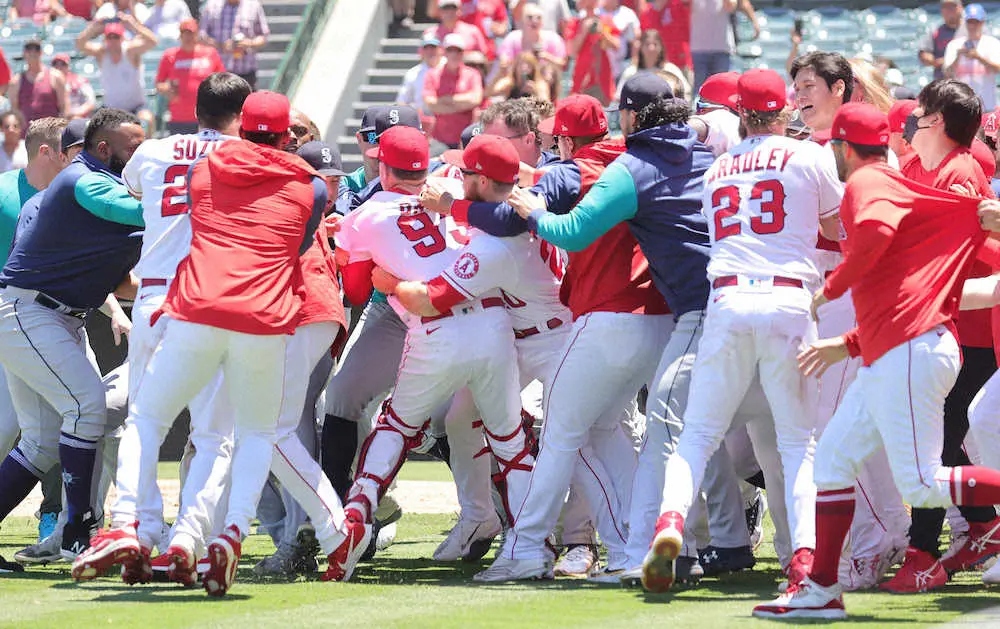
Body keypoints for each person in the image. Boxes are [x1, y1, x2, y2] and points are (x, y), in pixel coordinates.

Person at [71, 91, 344, 598]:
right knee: (242, 435)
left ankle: (131, 523)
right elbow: (300, 238)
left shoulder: (204, 167)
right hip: (264, 315)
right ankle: (222, 534)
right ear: (287, 135)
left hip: (185, 302)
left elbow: (166, 198)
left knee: (145, 419)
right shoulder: (309, 186)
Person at [752, 102, 1000, 621]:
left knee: (922, 484)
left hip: (911, 350)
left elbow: (878, 236)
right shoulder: (890, 179)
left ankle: (822, 587)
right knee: (833, 462)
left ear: (842, 148)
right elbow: (900, 295)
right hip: (901, 348)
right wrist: (849, 343)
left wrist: (830, 289)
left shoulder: (866, 182)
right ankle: (822, 588)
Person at [640, 68, 841, 594]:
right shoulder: (809, 155)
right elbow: (837, 227)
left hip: (727, 299)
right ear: (784, 110)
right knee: (798, 443)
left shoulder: (717, 168)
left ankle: (670, 524)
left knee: (697, 436)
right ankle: (803, 557)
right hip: (789, 299)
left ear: (739, 113)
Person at [0, 108, 145, 562]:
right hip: (30, 311)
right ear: (96, 150)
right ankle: (77, 532)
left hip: (52, 316)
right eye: (133, 147)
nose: (141, 154)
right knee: (87, 406)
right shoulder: (82, 180)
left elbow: (116, 279)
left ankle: (74, 529)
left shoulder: (99, 185)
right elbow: (140, 210)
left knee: (42, 440)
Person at [880, 79, 1000, 593]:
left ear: (937, 120)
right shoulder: (916, 168)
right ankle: (978, 527)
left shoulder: (961, 170)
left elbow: (944, 252)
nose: (910, 123)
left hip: (973, 320)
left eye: (920, 113)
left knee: (942, 433)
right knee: (945, 432)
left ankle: (927, 550)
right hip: (946, 319)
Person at [76, 17, 158, 132]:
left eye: (116, 37)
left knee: (147, 119)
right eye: (109, 37)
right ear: (105, 39)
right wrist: (93, 28)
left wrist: (133, 25)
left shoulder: (130, 51)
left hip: (136, 107)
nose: (113, 40)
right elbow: (79, 44)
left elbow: (153, 41)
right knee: (93, 128)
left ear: (122, 38)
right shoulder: (101, 53)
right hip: (111, 109)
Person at [156, 19, 226, 134]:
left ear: (197, 35)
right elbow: (159, 83)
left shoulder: (210, 53)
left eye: (191, 34)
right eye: (185, 34)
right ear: (180, 36)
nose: (188, 37)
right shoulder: (169, 55)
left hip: (207, 117)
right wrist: (167, 89)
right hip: (179, 118)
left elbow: (222, 79)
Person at [423, 34, 483, 150]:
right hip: (440, 138)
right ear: (444, 52)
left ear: (463, 53)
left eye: (458, 51)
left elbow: (476, 99)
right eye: (450, 50)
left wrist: (446, 100)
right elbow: (431, 104)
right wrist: (463, 105)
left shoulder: (472, 74)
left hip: (466, 139)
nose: (454, 54)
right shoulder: (432, 74)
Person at [199, 0, 270, 89]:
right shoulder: (212, 6)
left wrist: (249, 43)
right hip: (219, 74)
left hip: (246, 71)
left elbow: (264, 36)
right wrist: (221, 45)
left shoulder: (254, 5)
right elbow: (201, 37)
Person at [943, 3, 1000, 111]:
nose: (972, 26)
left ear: (982, 22)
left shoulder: (992, 43)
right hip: (961, 106)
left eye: (976, 22)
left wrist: (978, 58)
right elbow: (947, 74)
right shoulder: (954, 45)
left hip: (987, 105)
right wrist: (958, 57)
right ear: (965, 22)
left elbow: (997, 69)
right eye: (970, 22)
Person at [565, 0, 621, 106]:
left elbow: (617, 45)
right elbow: (571, 51)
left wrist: (603, 32)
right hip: (581, 81)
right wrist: (584, 30)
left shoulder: (605, 20)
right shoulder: (574, 23)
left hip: (602, 82)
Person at [617, 29, 691, 102]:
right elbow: (619, 97)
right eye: (647, 44)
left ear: (661, 47)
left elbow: (686, 92)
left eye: (655, 44)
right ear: (641, 47)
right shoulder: (631, 72)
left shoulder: (671, 70)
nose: (651, 48)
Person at [9, 40, 67, 127]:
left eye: (36, 49)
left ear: (41, 52)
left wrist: (60, 127)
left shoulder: (55, 76)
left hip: (50, 130)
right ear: (24, 53)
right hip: (27, 132)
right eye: (29, 49)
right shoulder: (16, 81)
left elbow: (64, 107)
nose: (32, 52)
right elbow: (15, 110)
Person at [498, 2, 568, 70]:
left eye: (538, 18)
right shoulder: (512, 38)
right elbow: (503, 64)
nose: (534, 21)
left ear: (543, 21)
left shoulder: (553, 38)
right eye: (530, 17)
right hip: (518, 76)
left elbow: (563, 64)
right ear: (523, 19)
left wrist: (547, 57)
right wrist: (524, 60)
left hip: (545, 77)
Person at [424, 0, 492, 61]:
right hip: (438, 70)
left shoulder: (473, 31)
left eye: (453, 8)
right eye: (445, 8)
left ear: (460, 10)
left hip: (467, 69)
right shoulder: (431, 32)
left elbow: (484, 56)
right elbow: (423, 56)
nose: (450, 12)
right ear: (439, 11)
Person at [690, 0, 736, 90]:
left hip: (721, 49)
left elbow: (731, 7)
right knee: (699, 90)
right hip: (698, 49)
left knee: (721, 89)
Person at [639, 0, 691, 75]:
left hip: (680, 62)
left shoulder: (678, 4)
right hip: (656, 66)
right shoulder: (647, 12)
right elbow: (647, 36)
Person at [920, 0, 967, 81]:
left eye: (953, 6)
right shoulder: (936, 31)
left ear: (961, 8)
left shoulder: (971, 29)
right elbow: (924, 55)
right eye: (945, 7)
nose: (949, 9)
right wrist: (943, 61)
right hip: (943, 81)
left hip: (968, 80)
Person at [397, 35, 444, 115]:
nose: (430, 52)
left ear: (441, 50)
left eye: (433, 47)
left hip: (449, 115)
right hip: (422, 118)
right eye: (426, 48)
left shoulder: (450, 67)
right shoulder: (413, 73)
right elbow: (402, 101)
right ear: (421, 51)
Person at [601, 0, 640, 81]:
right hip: (600, 64)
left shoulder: (628, 13)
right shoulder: (595, 12)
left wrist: (634, 64)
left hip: (623, 63)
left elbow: (636, 37)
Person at [487, 52, 551, 102]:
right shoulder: (510, 83)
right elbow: (488, 93)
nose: (524, 68)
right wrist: (499, 75)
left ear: (534, 68)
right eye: (520, 64)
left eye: (528, 64)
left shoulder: (540, 84)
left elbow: (546, 105)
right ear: (515, 67)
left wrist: (536, 93)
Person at [52, 54, 96, 121]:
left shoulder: (80, 80)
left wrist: (74, 115)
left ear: (68, 66)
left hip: (78, 119)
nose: (59, 67)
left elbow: (90, 103)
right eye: (55, 64)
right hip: (58, 120)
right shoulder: (49, 83)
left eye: (63, 64)